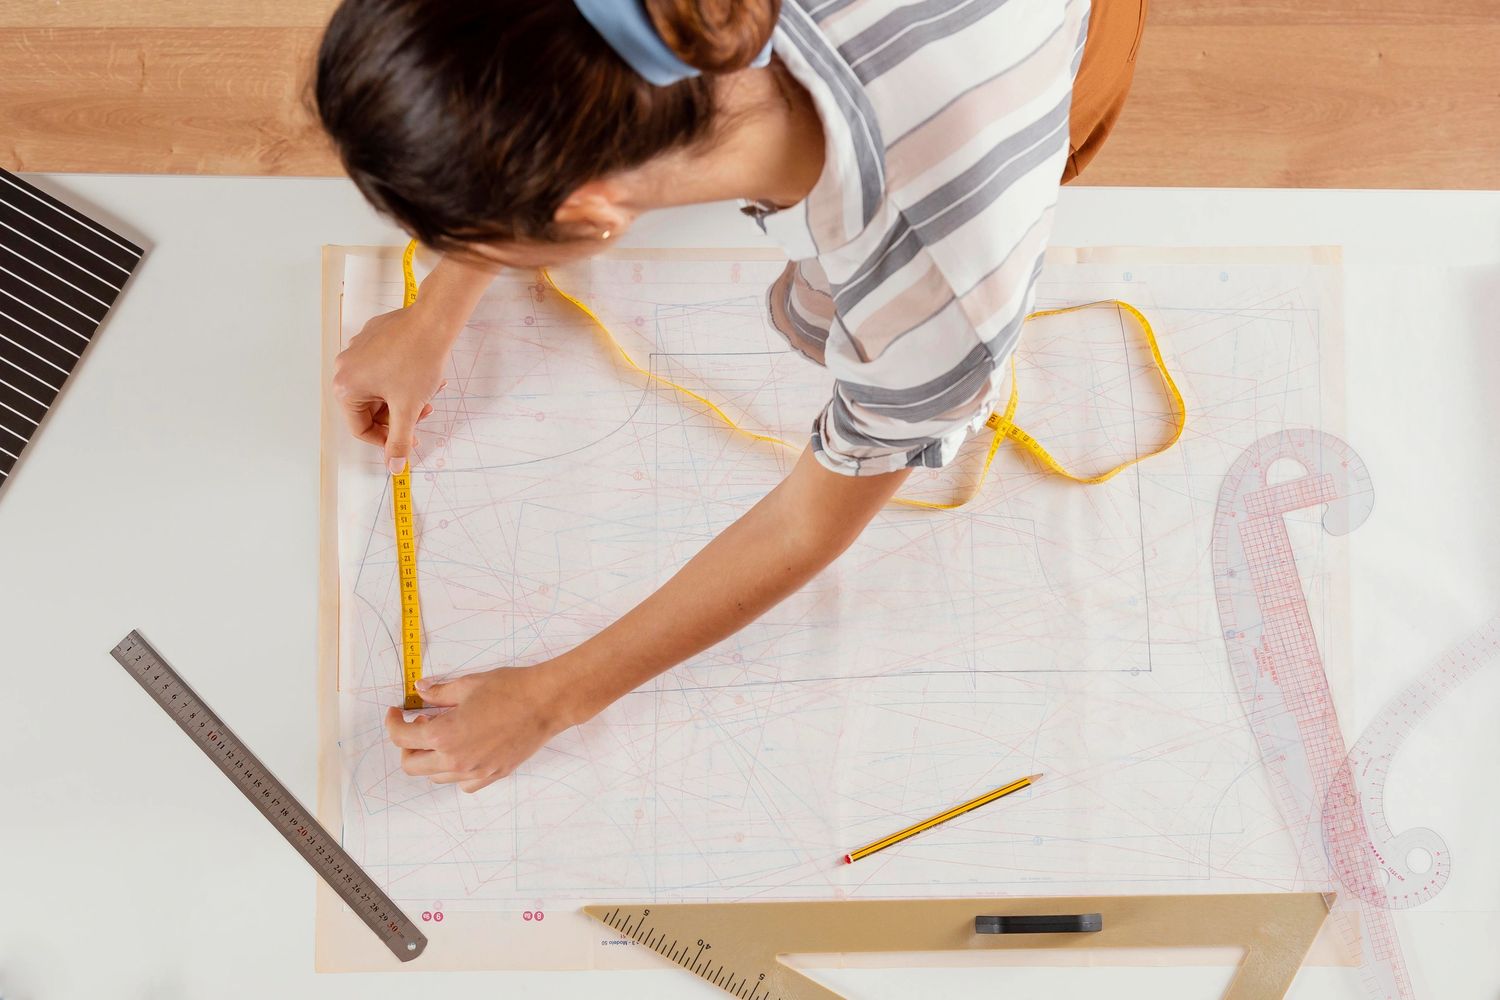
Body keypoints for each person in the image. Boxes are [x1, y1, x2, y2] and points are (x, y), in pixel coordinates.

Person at [315, 0, 1147, 792]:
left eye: (464, 236)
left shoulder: (933, 302)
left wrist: (553, 700)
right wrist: (434, 312)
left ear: (591, 213)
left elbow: (806, 523)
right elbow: (545, 61)